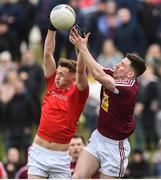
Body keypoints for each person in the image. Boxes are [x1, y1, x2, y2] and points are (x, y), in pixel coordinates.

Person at [69, 26, 146, 178]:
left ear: (129, 74)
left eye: (122, 65)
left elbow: (98, 75)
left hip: (115, 147)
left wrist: (82, 47)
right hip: (99, 137)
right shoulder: (115, 74)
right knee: (77, 177)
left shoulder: (128, 88)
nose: (117, 64)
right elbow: (94, 68)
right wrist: (81, 46)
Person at [27, 21, 89, 178]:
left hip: (60, 158)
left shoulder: (78, 92)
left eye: (61, 74)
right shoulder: (51, 84)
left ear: (72, 77)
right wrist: (52, 27)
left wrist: (81, 48)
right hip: (38, 152)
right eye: (57, 73)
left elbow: (81, 70)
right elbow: (47, 53)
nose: (57, 77)